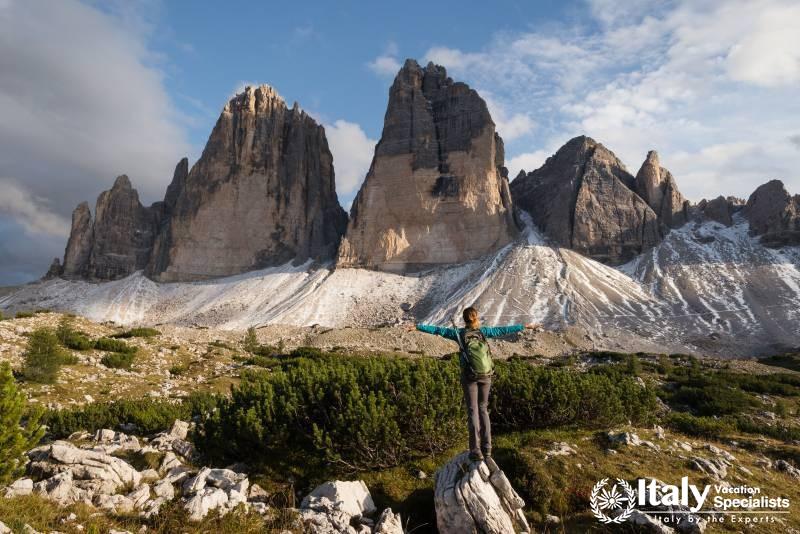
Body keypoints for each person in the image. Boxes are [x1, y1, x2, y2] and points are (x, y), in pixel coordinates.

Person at [412, 307, 539, 462]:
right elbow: (503, 330)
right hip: (486, 375)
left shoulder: (458, 334)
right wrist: (523, 326)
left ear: (464, 319)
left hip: (469, 376)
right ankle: (487, 448)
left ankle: (475, 451)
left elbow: (438, 330)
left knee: (473, 411)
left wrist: (418, 327)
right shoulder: (483, 332)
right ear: (476, 318)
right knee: (483, 409)